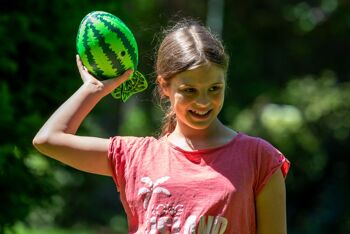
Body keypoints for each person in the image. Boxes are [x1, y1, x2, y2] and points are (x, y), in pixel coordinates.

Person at [33, 19, 290, 234]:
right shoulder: (135, 156)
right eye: (189, 90)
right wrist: (93, 89)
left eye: (214, 88)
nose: (203, 101)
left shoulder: (260, 160)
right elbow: (48, 139)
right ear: (165, 86)